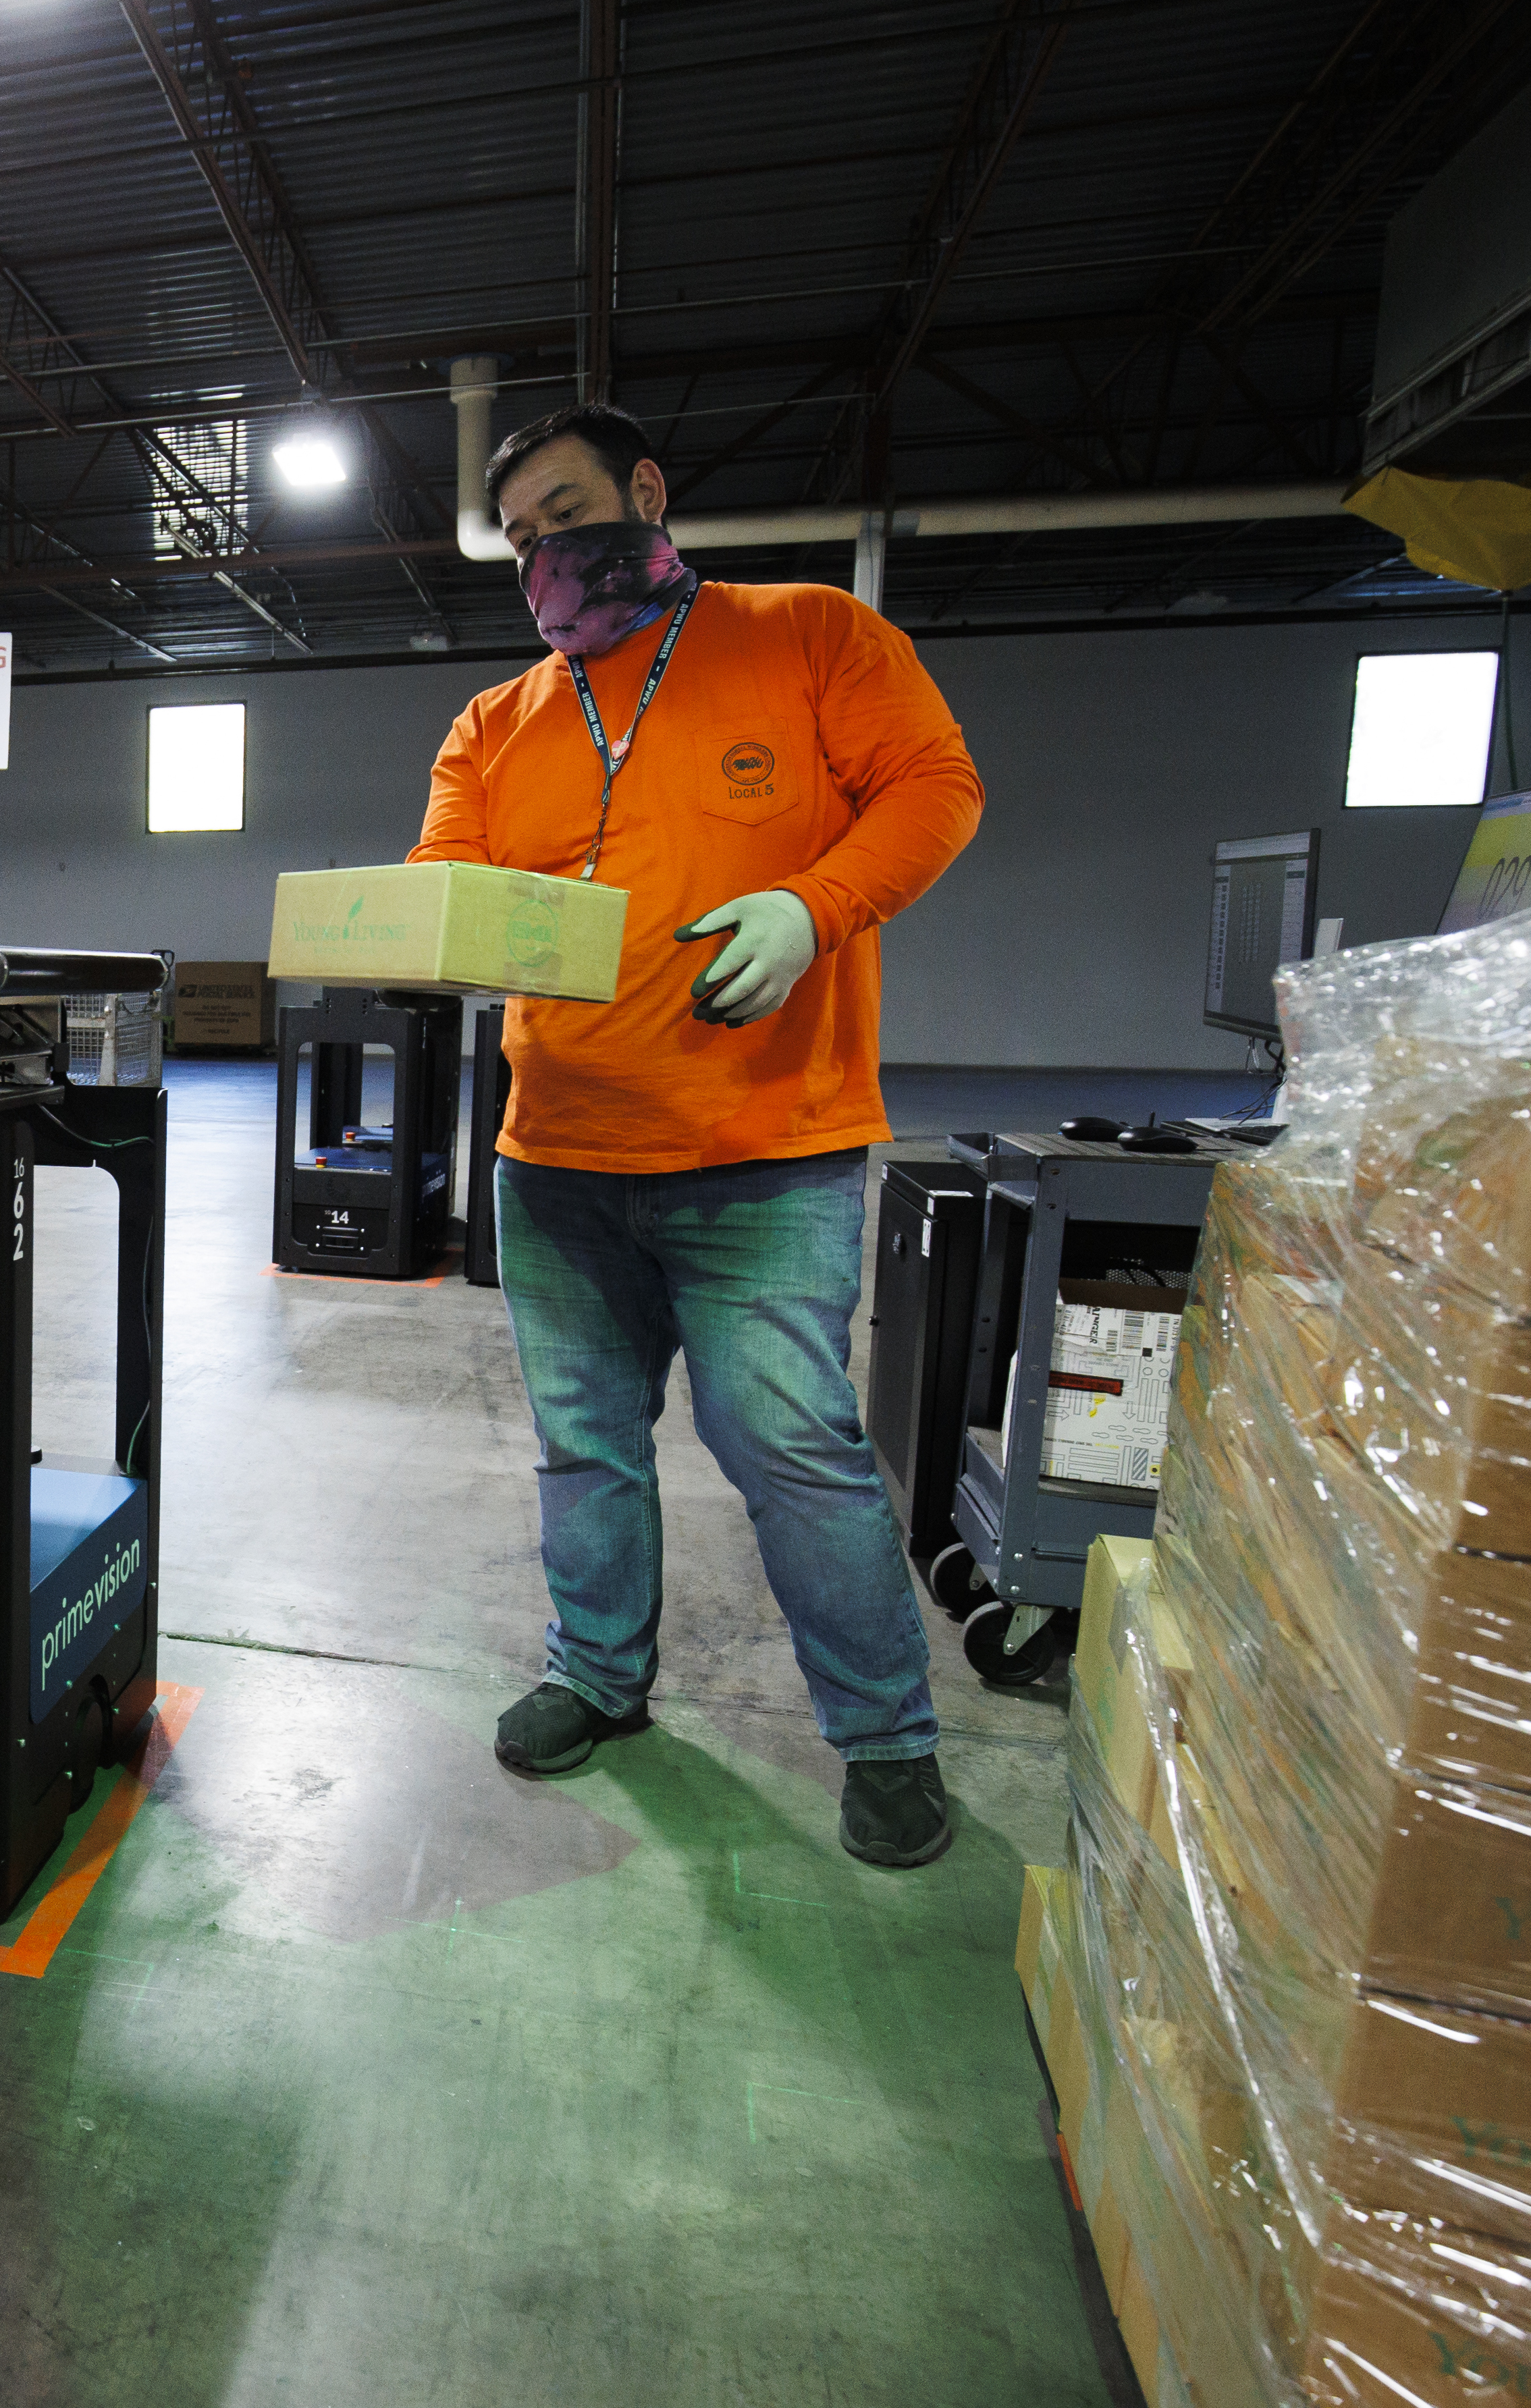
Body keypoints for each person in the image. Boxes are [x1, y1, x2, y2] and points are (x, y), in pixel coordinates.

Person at [414, 402, 984, 1867]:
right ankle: (601, 1677)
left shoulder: (809, 638)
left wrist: (816, 904)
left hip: (765, 1149)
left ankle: (886, 1737)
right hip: (558, 1163)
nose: (547, 550)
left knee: (790, 1444)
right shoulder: (497, 723)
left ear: (645, 489)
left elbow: (936, 788)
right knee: (586, 1447)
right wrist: (441, 934)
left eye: (564, 509)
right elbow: (441, 881)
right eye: (522, 536)